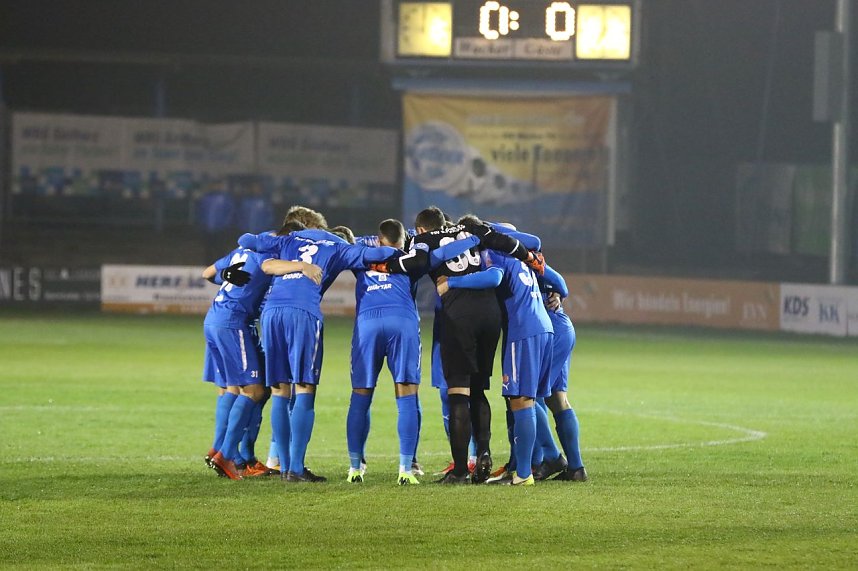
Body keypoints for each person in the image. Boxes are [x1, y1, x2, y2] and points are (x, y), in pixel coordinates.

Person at [374, 207, 545, 484]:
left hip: (459, 313)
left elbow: (415, 263)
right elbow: (504, 242)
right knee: (478, 390)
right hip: (490, 313)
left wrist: (388, 265)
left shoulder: (424, 240)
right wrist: (528, 257)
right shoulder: (469, 230)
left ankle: (460, 471)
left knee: (458, 393)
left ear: (419, 229)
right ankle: (485, 452)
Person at [239, 221, 397, 482]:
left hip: (271, 313)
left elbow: (246, 239)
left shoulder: (289, 239)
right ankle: (297, 469)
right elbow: (378, 254)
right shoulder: (337, 246)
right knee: (304, 389)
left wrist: (278, 245)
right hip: (303, 313)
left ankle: (284, 467)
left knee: (279, 390)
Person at [437, 241, 554, 486]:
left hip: (522, 330)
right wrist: (556, 293)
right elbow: (559, 282)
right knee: (531, 401)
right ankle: (544, 460)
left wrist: (452, 282)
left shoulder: (494, 253)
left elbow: (493, 277)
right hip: (545, 327)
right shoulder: (522, 257)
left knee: (521, 401)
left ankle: (523, 474)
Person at [201, 244, 319, 480]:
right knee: (256, 389)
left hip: (216, 319)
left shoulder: (242, 250)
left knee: (234, 388)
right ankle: (230, 455)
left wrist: (225, 275)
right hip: (234, 323)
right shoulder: (272, 260)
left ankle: (229, 452)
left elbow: (207, 273)